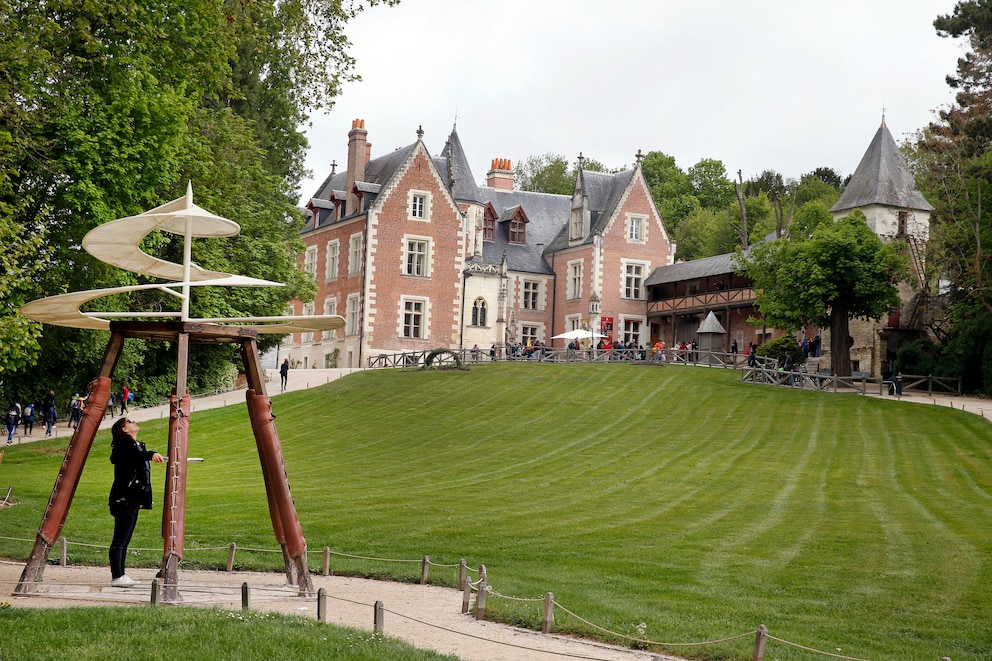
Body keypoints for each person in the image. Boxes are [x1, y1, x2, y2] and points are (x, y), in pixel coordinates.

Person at [108, 417, 164, 586]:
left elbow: (141, 474)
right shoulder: (123, 445)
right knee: (120, 539)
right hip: (123, 499)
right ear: (124, 430)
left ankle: (121, 574)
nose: (134, 422)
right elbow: (135, 457)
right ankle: (117, 576)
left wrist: (140, 501)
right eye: (130, 421)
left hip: (131, 500)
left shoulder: (135, 445)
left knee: (125, 540)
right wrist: (151, 454)